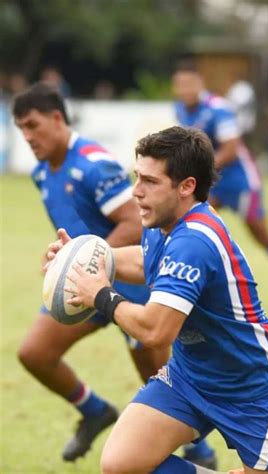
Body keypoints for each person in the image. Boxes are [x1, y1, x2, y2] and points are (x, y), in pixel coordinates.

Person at [49, 126, 268, 474]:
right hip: (190, 377)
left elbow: (155, 331)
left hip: (250, 386)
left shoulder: (194, 241)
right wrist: (83, 257)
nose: (136, 192)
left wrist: (101, 296)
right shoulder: (162, 223)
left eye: (150, 182)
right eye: (136, 177)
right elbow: (146, 261)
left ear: (186, 186)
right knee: (121, 465)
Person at [11, 83, 216, 468]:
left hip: (131, 287)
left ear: (57, 119)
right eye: (20, 128)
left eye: (33, 125)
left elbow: (133, 224)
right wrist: (69, 257)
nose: (27, 136)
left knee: (159, 376)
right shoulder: (42, 172)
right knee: (35, 353)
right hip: (84, 286)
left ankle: (200, 451)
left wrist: (85, 259)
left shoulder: (93, 164)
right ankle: (94, 410)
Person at [172, 61, 268, 309]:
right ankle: (186, 286)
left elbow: (230, 150)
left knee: (260, 234)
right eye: (180, 85)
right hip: (211, 184)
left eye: (189, 84)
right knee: (188, 226)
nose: (184, 90)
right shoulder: (180, 109)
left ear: (200, 84)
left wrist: (196, 170)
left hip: (239, 182)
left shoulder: (218, 109)